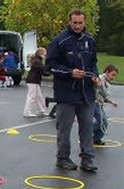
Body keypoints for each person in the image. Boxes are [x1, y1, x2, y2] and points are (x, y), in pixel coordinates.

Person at [47, 9, 99, 172]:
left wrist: (95, 76)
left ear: (85, 22)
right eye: (75, 23)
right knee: (64, 129)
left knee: (87, 128)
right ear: (69, 22)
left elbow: (93, 63)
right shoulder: (60, 41)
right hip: (66, 94)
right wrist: (70, 72)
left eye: (80, 23)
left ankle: (87, 159)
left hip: (86, 94)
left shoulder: (90, 41)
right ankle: (62, 158)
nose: (77, 26)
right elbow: (50, 66)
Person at [93, 64, 119, 145]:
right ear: (107, 72)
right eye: (113, 75)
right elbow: (97, 87)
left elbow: (104, 96)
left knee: (104, 122)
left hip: (99, 104)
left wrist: (111, 102)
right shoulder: (100, 79)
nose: (113, 77)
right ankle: (86, 131)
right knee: (102, 121)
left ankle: (96, 138)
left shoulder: (107, 82)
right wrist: (97, 83)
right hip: (94, 103)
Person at [23, 47, 49, 117]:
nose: (45, 56)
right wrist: (50, 71)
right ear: (41, 54)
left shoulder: (37, 60)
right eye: (44, 54)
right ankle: (27, 112)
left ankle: (41, 110)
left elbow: (43, 71)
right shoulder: (37, 61)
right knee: (32, 97)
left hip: (34, 80)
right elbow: (43, 69)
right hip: (33, 81)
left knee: (39, 96)